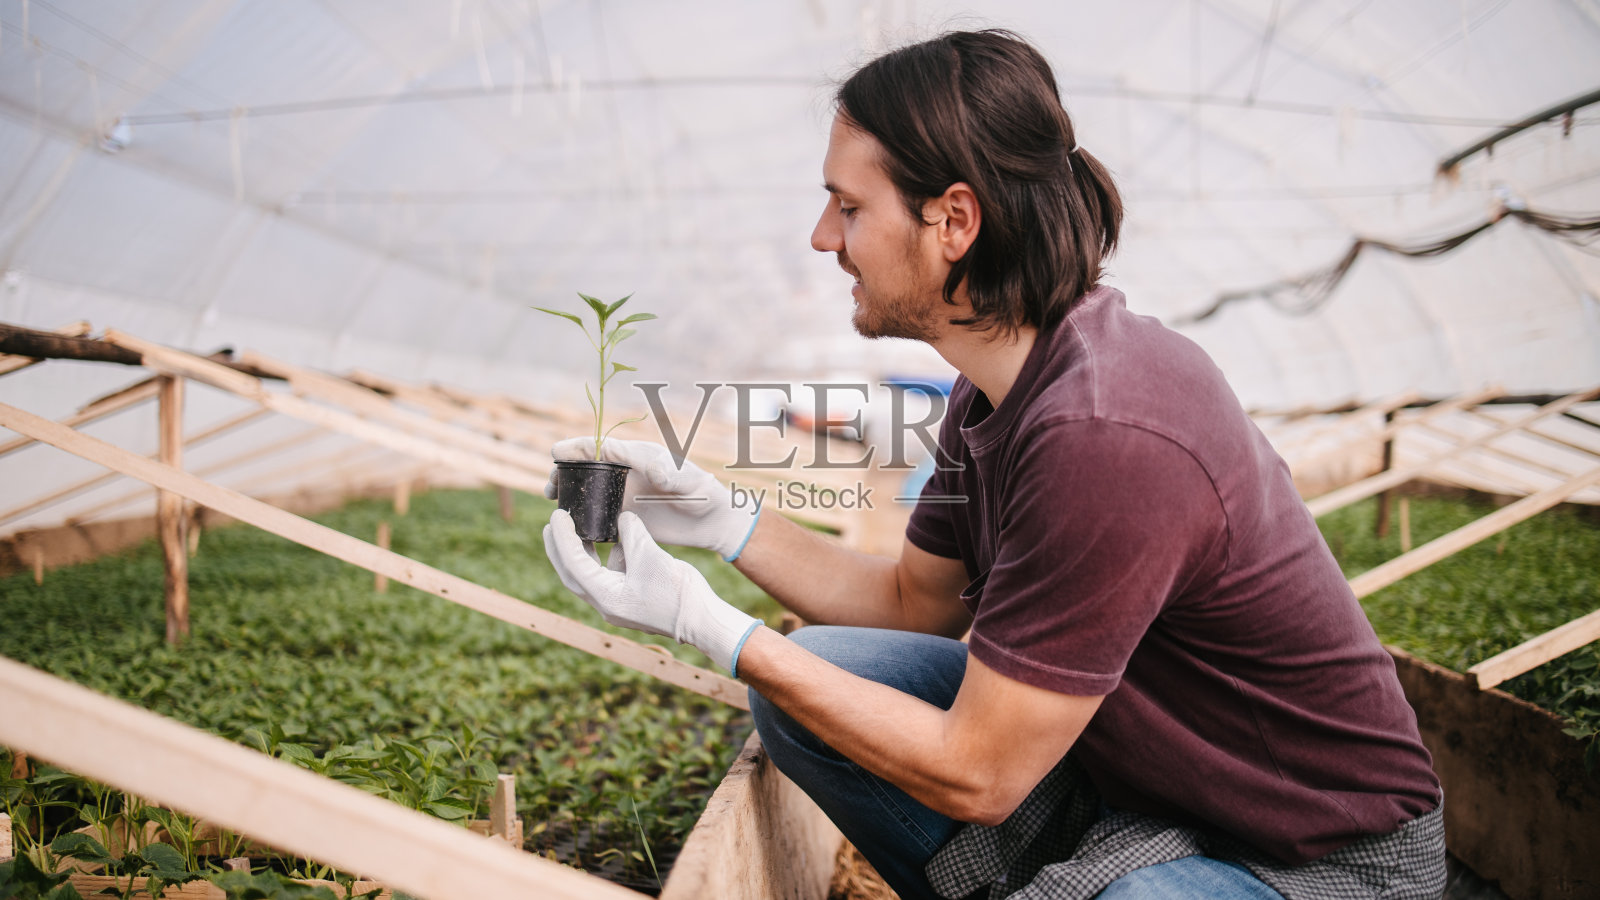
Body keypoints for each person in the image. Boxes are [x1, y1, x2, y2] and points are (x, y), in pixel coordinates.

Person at [543, 29, 1445, 900]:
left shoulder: (1108, 431)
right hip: (1139, 788)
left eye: (849, 207)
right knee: (814, 683)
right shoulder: (993, 393)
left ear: (955, 220)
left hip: (1312, 857)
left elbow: (981, 776)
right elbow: (915, 605)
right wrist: (722, 521)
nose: (824, 237)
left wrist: (718, 633)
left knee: (802, 680)